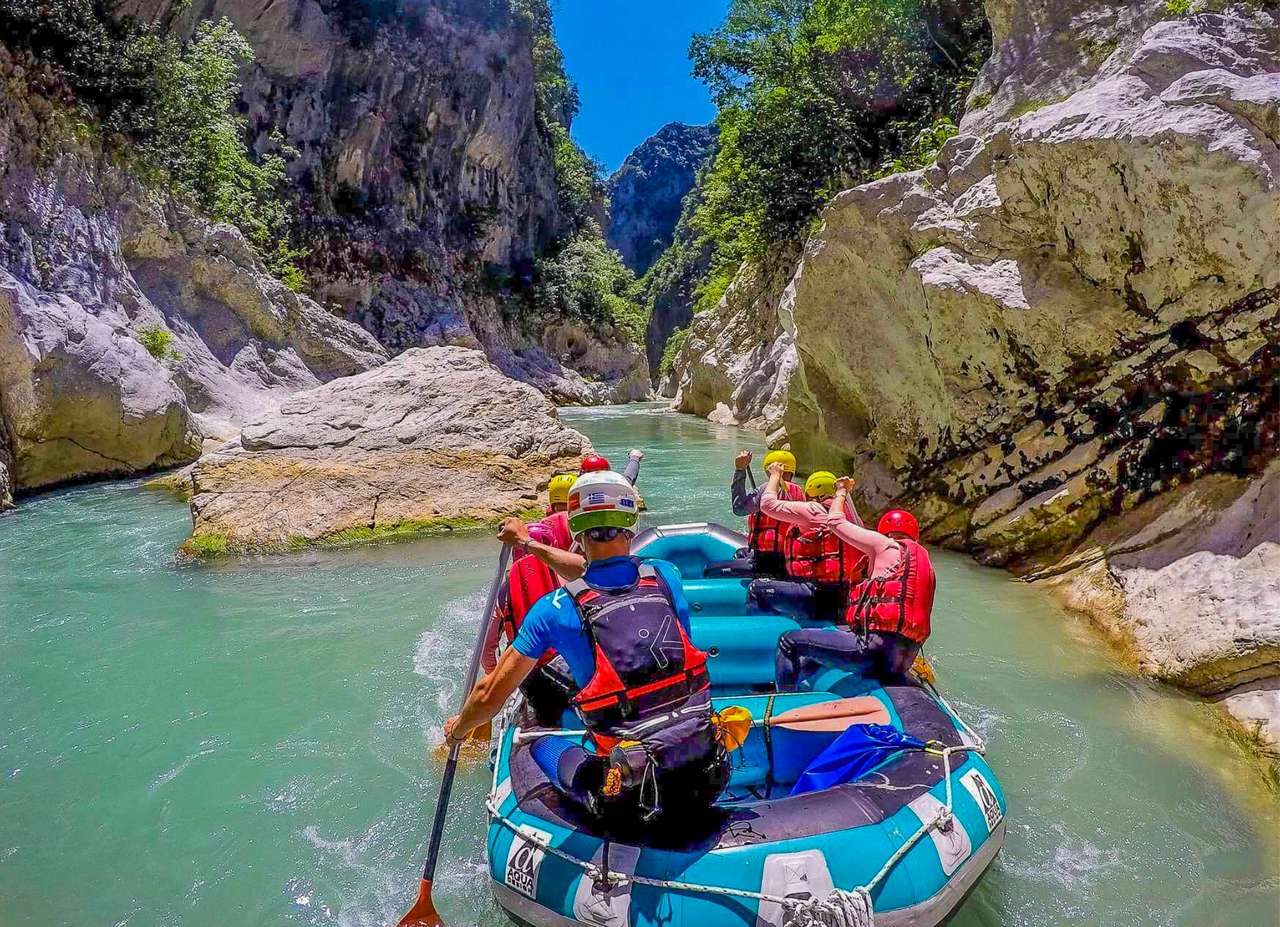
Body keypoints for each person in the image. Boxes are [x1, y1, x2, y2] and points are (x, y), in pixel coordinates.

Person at [445, 471, 726, 829]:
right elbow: (600, 570)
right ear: (632, 523)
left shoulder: (553, 611)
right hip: (709, 773)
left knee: (534, 747)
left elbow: (487, 697)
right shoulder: (666, 576)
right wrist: (529, 544)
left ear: (575, 532)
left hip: (631, 800)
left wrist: (457, 730)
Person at [774, 485, 936, 691]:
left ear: (885, 532)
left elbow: (834, 522)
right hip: (901, 662)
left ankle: (785, 700)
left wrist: (841, 492)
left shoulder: (884, 544)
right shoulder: (926, 566)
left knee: (789, 641)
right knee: (825, 642)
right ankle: (805, 682)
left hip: (871, 653)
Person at [482, 523, 577, 727]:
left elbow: (487, 654)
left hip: (528, 677)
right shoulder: (572, 582)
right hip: (576, 671)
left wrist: (497, 680)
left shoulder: (503, 593)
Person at [748, 464, 865, 622]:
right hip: (842, 595)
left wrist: (775, 476)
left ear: (813, 492)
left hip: (815, 593)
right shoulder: (851, 517)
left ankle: (763, 635)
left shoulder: (813, 510)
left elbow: (767, 505)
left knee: (757, 589)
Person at [711, 449, 805, 578]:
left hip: (766, 561)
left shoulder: (766, 489)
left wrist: (740, 470)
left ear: (769, 470)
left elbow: (739, 508)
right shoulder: (800, 492)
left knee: (710, 570)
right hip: (790, 556)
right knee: (741, 553)